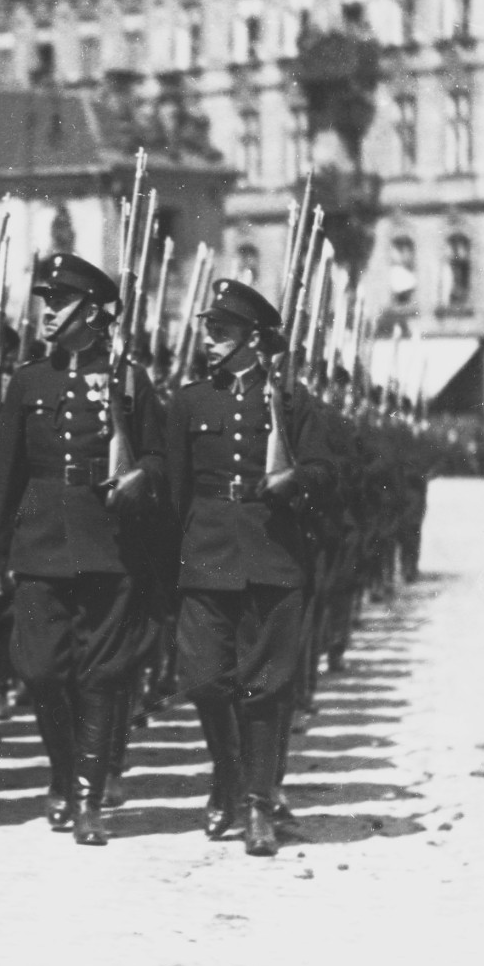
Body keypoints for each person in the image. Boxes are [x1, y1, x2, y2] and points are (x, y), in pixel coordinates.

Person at [0, 253, 166, 846]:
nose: (47, 313)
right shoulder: (29, 380)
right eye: (44, 302)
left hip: (107, 542)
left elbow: (160, 455)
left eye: (58, 303)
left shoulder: (130, 378)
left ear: (91, 311)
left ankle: (86, 796)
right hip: (37, 543)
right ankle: (64, 772)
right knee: (39, 670)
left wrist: (142, 476)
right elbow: (3, 475)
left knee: (102, 676)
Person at [167, 280, 335, 856]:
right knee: (204, 680)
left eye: (222, 332)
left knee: (265, 689)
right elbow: (176, 489)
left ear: (254, 340)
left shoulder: (292, 402)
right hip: (207, 552)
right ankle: (228, 774)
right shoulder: (189, 401)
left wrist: (296, 482)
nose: (209, 341)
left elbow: (325, 474)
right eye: (209, 331)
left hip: (272, 553)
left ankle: (258, 803)